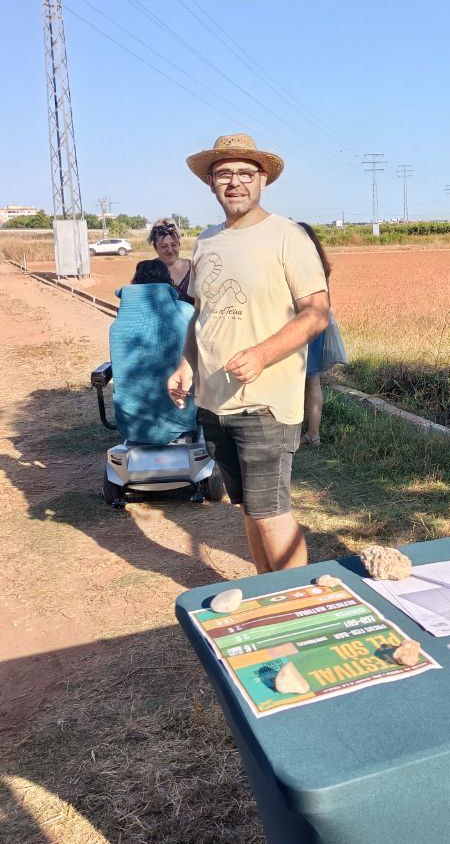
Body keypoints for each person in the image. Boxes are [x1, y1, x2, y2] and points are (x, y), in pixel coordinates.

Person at [167, 133, 329, 571]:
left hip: (265, 403)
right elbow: (202, 315)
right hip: (213, 403)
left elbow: (317, 313)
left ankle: (297, 609)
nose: (235, 182)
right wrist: (186, 364)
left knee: (270, 511)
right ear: (211, 183)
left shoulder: (288, 237)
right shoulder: (206, 242)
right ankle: (267, 594)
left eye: (245, 173)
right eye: (224, 174)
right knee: (248, 509)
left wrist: (261, 354)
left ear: (262, 181)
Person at [297, 222, 333, 447]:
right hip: (319, 327)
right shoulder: (321, 266)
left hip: (301, 328)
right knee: (313, 381)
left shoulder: (300, 267)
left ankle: (300, 433)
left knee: (298, 381)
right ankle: (314, 434)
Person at [135, 218, 192, 302]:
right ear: (155, 248)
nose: (170, 250)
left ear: (179, 245)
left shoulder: (193, 267)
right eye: (164, 246)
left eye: (173, 245)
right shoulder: (147, 271)